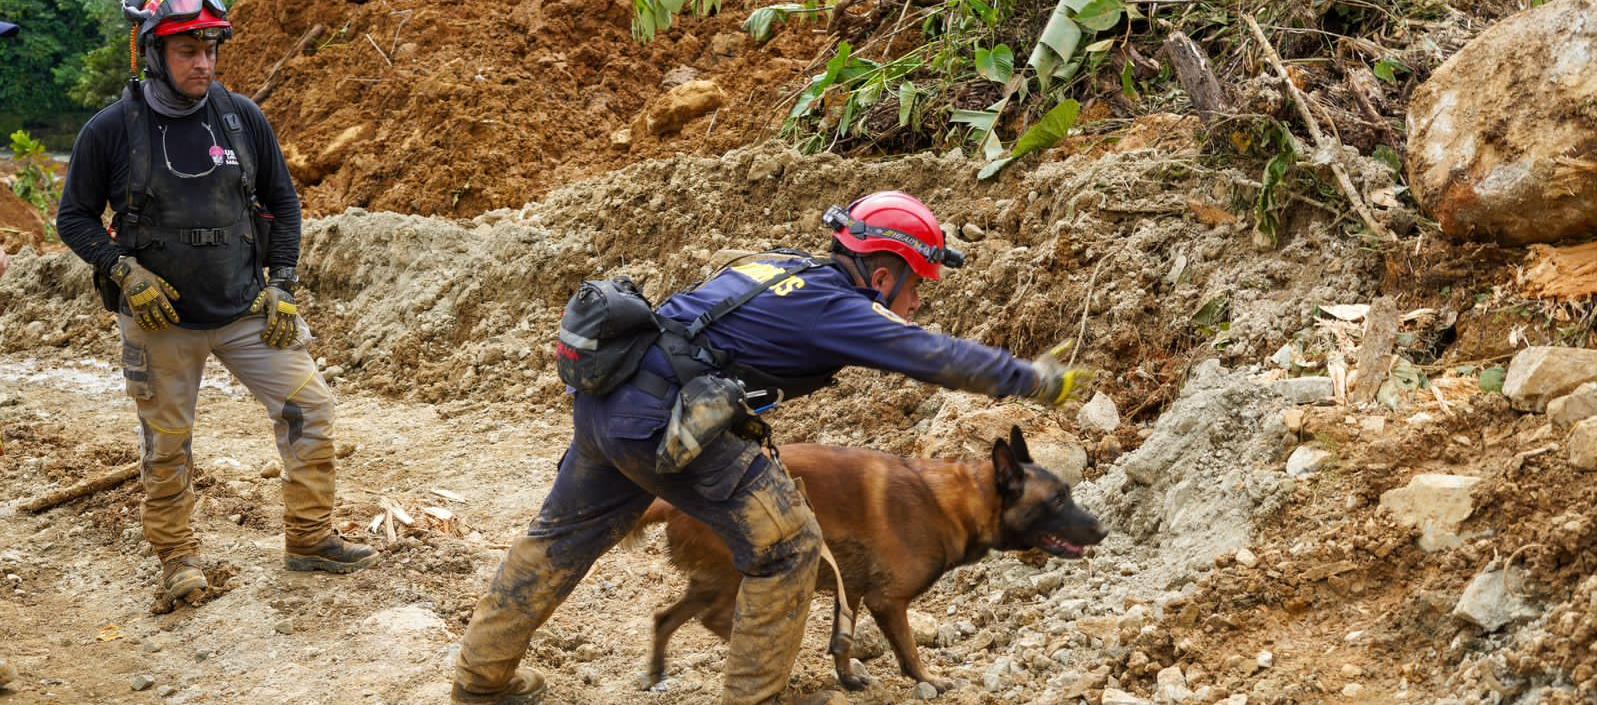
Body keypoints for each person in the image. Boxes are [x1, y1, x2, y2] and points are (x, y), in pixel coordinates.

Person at [450, 191, 1091, 705]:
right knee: (788, 545)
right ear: (886, 272)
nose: (916, 302)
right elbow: (934, 355)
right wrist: (1032, 378)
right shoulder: (838, 307)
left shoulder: (780, 266)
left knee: (559, 535)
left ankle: (481, 678)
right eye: (917, 286)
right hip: (669, 422)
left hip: (608, 403)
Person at [56, 0, 377, 606]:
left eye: (210, 50)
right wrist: (123, 270)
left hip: (245, 308)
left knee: (311, 408)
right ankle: (177, 558)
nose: (203, 64)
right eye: (187, 51)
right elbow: (73, 217)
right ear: (154, 54)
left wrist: (282, 282)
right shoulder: (110, 130)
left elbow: (283, 202)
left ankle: (309, 541)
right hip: (160, 320)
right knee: (168, 442)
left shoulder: (240, 119)